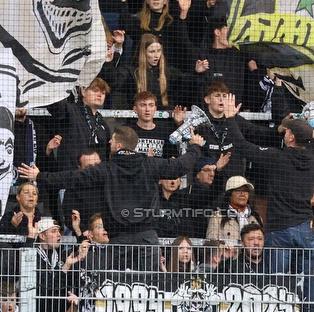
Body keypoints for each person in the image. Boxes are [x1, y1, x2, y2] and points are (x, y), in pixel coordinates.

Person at [20, 125, 205, 247]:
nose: (108, 142)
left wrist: (40, 176)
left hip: (118, 239)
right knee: (149, 288)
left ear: (118, 145)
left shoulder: (106, 169)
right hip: (148, 238)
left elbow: (73, 178)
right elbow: (180, 166)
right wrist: (195, 147)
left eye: (112, 140)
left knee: (117, 288)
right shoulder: (151, 165)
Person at [221, 97, 314, 274]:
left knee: (276, 284)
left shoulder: (277, 157)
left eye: (287, 131)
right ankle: (308, 304)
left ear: (291, 137)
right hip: (304, 228)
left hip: (279, 229)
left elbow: (242, 147)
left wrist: (230, 118)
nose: (285, 133)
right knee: (306, 281)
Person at [207, 176, 263, 245]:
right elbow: (210, 247)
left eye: (245, 191)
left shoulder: (256, 217)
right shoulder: (217, 217)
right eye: (238, 190)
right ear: (229, 194)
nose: (243, 194)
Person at [121, 90, 178, 158]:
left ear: (155, 109)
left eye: (151, 105)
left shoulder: (164, 132)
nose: (147, 109)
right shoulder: (127, 131)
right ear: (135, 109)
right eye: (143, 105)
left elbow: (171, 159)